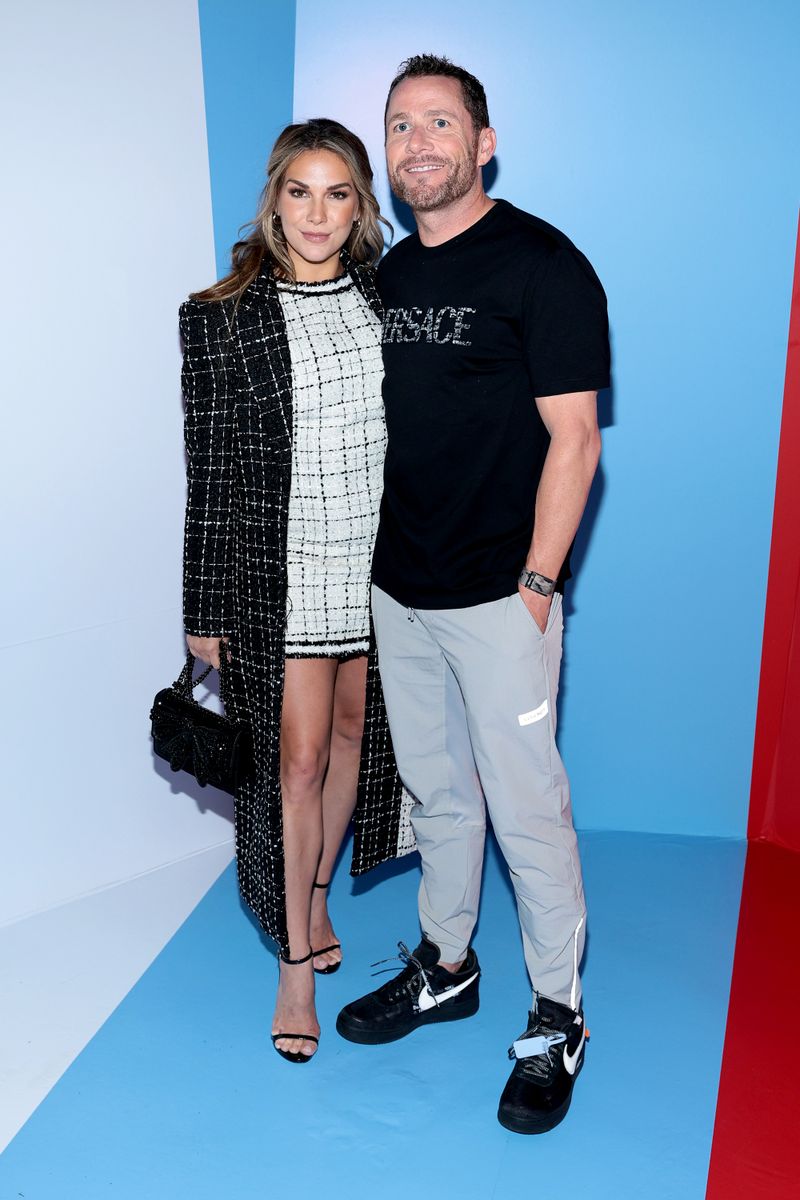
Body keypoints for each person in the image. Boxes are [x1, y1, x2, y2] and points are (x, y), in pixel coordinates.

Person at [336, 56, 610, 1134]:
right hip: (398, 592)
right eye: (399, 126)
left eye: (438, 123)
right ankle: (446, 966)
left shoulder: (543, 266)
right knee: (439, 798)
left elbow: (575, 440)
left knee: (527, 811)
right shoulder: (389, 279)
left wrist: (537, 586)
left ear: (481, 142)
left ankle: (557, 1016)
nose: (416, 145)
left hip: (502, 597)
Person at [179, 119, 404, 1065]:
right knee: (295, 764)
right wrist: (204, 609)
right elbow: (210, 471)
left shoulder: (394, 299)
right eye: (300, 192)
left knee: (357, 736)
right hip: (281, 571)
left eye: (339, 193)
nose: (318, 213)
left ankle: (314, 896)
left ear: (360, 208)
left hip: (382, 562)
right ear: (275, 199)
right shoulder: (219, 314)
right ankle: (293, 968)